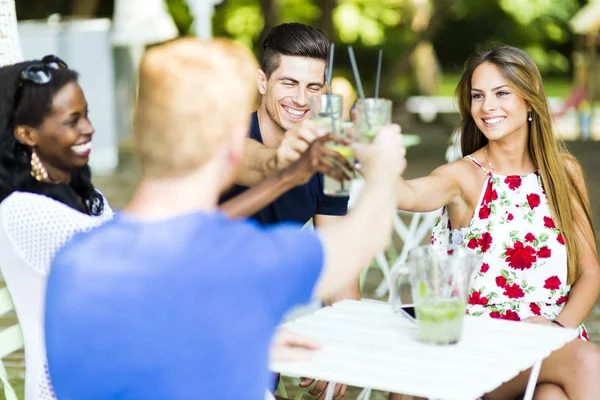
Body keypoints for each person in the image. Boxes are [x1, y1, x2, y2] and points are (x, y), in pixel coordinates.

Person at [44, 38, 406, 400]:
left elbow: (153, 336)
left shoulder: (73, 258)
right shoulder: (244, 263)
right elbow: (362, 239)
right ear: (236, 141)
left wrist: (239, 338)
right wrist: (383, 170)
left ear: (139, 130)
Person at [392, 45, 600, 399]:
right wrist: (373, 153)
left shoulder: (563, 173)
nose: (487, 106)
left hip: (549, 340)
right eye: (478, 96)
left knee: (553, 396)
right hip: (478, 347)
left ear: (530, 100)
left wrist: (556, 328)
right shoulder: (464, 177)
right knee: (590, 363)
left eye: (501, 93)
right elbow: (407, 194)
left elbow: (590, 274)